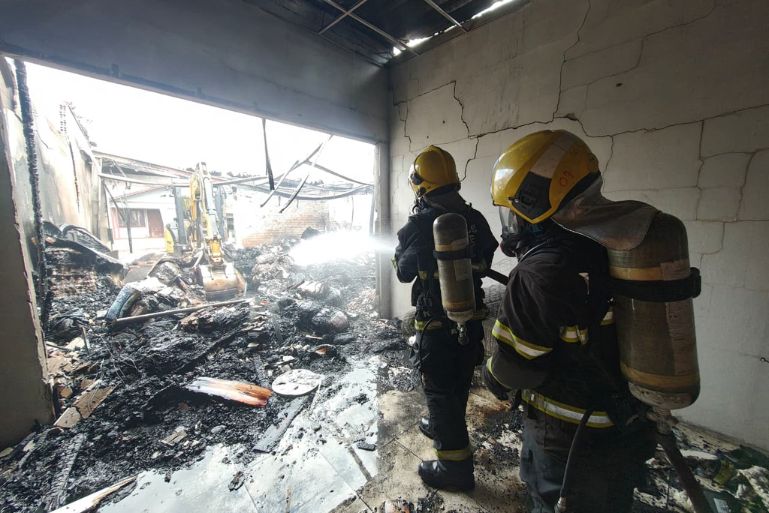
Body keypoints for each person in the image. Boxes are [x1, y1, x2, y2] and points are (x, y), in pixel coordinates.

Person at [482, 130, 655, 512]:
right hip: (626, 426)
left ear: (532, 203)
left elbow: (518, 368)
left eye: (512, 211)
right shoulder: (618, 247)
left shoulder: (538, 272)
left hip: (569, 443)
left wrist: (490, 375)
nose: (510, 223)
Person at [393, 145, 498, 491]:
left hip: (436, 329)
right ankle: (442, 424)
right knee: (458, 382)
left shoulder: (420, 224)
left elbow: (403, 273)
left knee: (438, 390)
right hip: (470, 324)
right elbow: (488, 258)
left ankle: (454, 470)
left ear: (420, 184)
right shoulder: (475, 218)